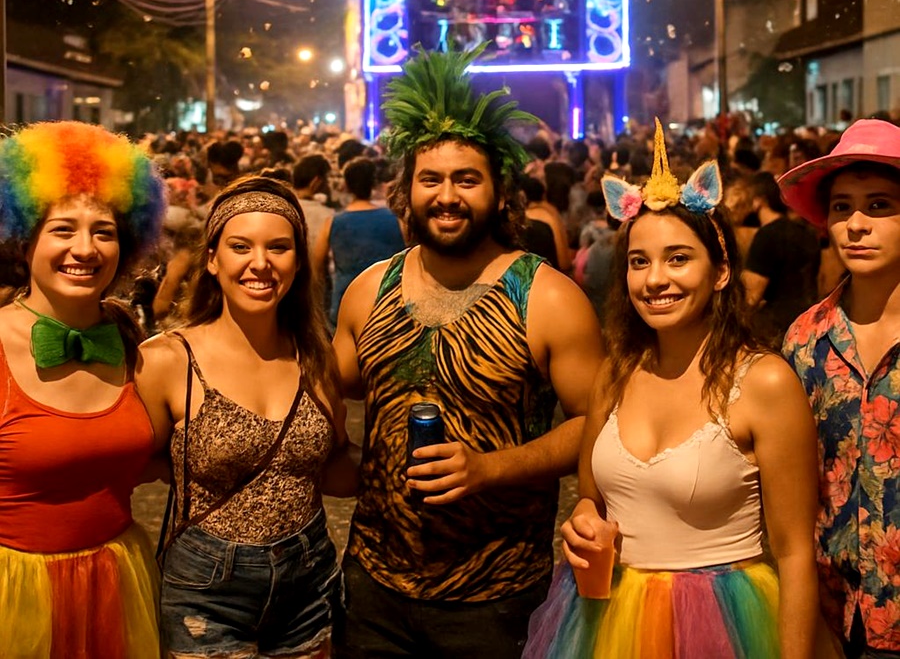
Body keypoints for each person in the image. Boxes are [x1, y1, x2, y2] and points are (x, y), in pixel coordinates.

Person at [332, 49, 604, 658]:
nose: (447, 195)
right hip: (374, 585)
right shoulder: (367, 291)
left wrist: (489, 468)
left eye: (466, 179)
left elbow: (596, 423)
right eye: (431, 179)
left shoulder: (545, 297)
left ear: (499, 190)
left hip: (498, 593)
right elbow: (323, 392)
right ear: (405, 192)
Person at [525, 119, 820, 659]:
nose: (655, 279)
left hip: (725, 625)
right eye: (639, 262)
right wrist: (585, 519)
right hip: (606, 619)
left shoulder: (764, 382)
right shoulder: (617, 370)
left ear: (722, 270)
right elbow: (591, 496)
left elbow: (797, 554)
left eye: (678, 258)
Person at [135, 175, 357, 659]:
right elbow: (131, 464)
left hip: (310, 582)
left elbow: (336, 469)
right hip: (206, 592)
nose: (261, 263)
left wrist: (402, 457)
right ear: (212, 259)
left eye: (279, 248)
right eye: (241, 247)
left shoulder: (315, 357)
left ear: (297, 262)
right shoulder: (167, 361)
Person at [0, 120, 166, 659]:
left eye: (104, 231)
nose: (85, 248)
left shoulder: (127, 335)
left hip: (118, 582)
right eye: (63, 229)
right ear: (26, 240)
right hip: (15, 596)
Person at [779, 117, 900, 658]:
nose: (856, 224)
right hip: (834, 616)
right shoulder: (806, 340)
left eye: (879, 205)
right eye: (841, 207)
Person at [313, 156, 406, 328]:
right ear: (373, 184)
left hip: (344, 306)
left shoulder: (333, 223)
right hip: (390, 306)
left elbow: (317, 269)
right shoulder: (396, 219)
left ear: (346, 186)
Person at [741, 170, 821, 346]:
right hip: (809, 325)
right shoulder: (805, 233)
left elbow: (750, 297)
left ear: (759, 200)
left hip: (774, 332)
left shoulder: (766, 235)